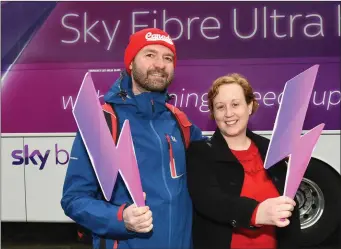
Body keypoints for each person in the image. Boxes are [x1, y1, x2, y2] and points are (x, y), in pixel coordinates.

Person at [61, 28, 204, 249]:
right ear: (130, 64)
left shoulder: (181, 122)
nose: (160, 64)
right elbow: (74, 199)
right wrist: (121, 218)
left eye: (168, 58)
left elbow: (216, 170)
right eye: (150, 55)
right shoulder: (103, 122)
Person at [186, 73, 301, 249]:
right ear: (213, 113)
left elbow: (290, 204)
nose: (228, 113)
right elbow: (209, 201)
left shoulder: (272, 149)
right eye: (220, 107)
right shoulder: (200, 152)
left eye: (235, 104)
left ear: (250, 106)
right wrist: (255, 213)